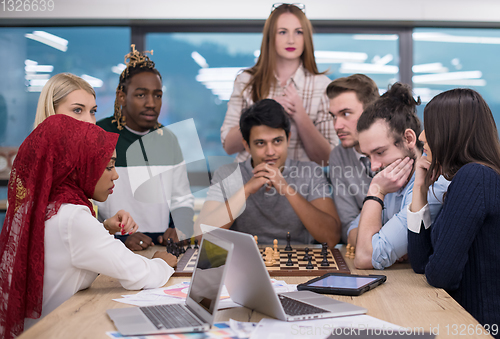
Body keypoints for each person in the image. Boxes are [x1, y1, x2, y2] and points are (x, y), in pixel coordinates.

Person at [0, 115, 177, 339]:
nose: (116, 175)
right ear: (78, 166)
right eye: (109, 166)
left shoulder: (50, 206)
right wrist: (164, 262)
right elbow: (138, 274)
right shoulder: (73, 217)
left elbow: (71, 246)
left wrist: (105, 228)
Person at [407, 89, 500, 335]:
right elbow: (421, 262)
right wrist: (419, 186)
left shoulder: (475, 177)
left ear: (450, 132)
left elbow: (439, 274)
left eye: (430, 126)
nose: (422, 136)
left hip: (478, 327)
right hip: (464, 321)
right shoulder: (470, 177)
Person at [198, 99, 340, 247]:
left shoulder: (311, 172)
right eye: (260, 143)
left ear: (288, 139)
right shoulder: (226, 174)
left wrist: (286, 189)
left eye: (277, 141)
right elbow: (203, 238)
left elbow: (331, 238)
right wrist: (246, 190)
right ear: (246, 145)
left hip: (298, 263)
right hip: (243, 262)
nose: (270, 152)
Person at [96, 45, 195, 251]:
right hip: (110, 247)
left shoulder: (168, 139)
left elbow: (182, 198)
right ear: (122, 96)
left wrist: (180, 227)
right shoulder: (100, 136)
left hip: (160, 246)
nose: (151, 103)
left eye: (157, 95)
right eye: (141, 95)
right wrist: (119, 239)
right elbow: (84, 205)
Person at [348, 83, 449, 269]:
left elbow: (364, 257)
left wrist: (376, 192)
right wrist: (379, 241)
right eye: (368, 155)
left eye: (380, 152)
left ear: (409, 139)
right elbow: (353, 230)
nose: (373, 166)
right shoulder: (391, 180)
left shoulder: (433, 186)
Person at [221, 3, 336, 165]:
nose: (291, 40)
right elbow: (228, 146)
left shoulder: (323, 86)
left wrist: (300, 116)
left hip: (299, 187)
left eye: (298, 32)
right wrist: (263, 110)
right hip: (248, 183)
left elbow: (327, 159)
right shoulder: (246, 80)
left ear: (306, 38)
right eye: (283, 32)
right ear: (270, 37)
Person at [32, 72, 138, 236]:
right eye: (77, 110)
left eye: (93, 111)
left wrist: (104, 228)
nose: (89, 121)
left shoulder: (73, 168)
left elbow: (67, 240)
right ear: (52, 112)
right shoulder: (36, 172)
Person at [327, 74, 379, 244]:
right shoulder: (339, 155)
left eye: (346, 114)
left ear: (371, 112)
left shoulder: (401, 149)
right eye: (333, 116)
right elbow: (349, 226)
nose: (337, 126)